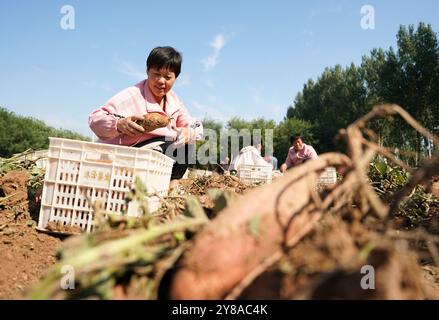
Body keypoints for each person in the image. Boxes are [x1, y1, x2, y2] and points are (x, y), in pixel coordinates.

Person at [88, 46, 203, 189]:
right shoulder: (132, 95)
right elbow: (95, 118)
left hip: (151, 154)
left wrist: (189, 131)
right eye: (156, 74)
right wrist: (119, 124)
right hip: (121, 156)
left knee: (186, 142)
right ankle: (138, 187)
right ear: (147, 71)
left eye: (168, 77)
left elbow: (194, 124)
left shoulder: (174, 102)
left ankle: (172, 187)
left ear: (175, 78)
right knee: (165, 144)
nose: (161, 81)